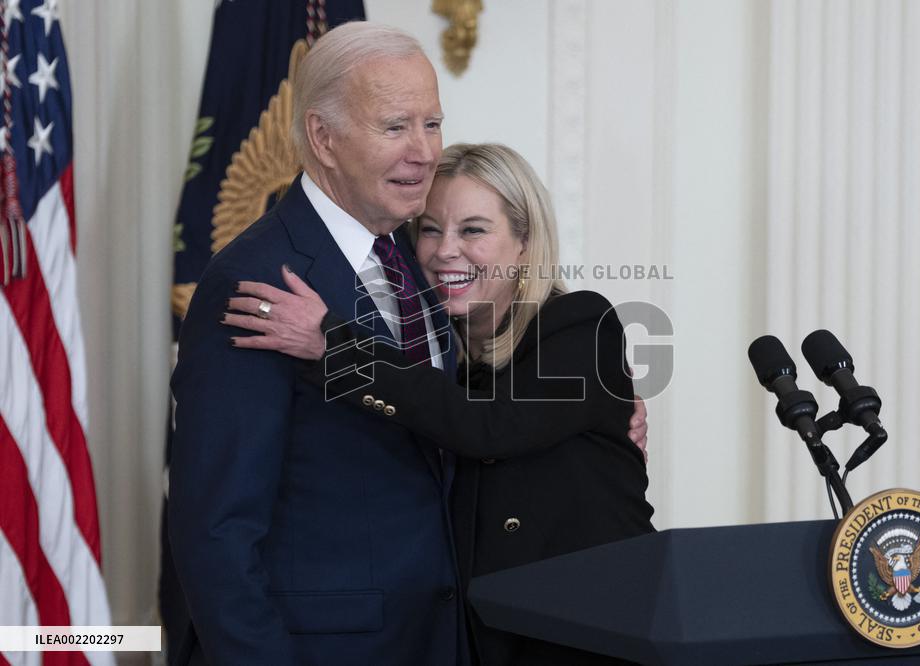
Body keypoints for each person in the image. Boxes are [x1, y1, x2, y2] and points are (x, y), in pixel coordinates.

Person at [171, 22, 647, 666]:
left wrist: (599, 426)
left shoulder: (414, 271)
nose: (423, 151)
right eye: (396, 127)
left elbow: (474, 424)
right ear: (323, 137)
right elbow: (216, 530)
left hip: (449, 640)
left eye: (432, 124)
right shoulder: (261, 281)